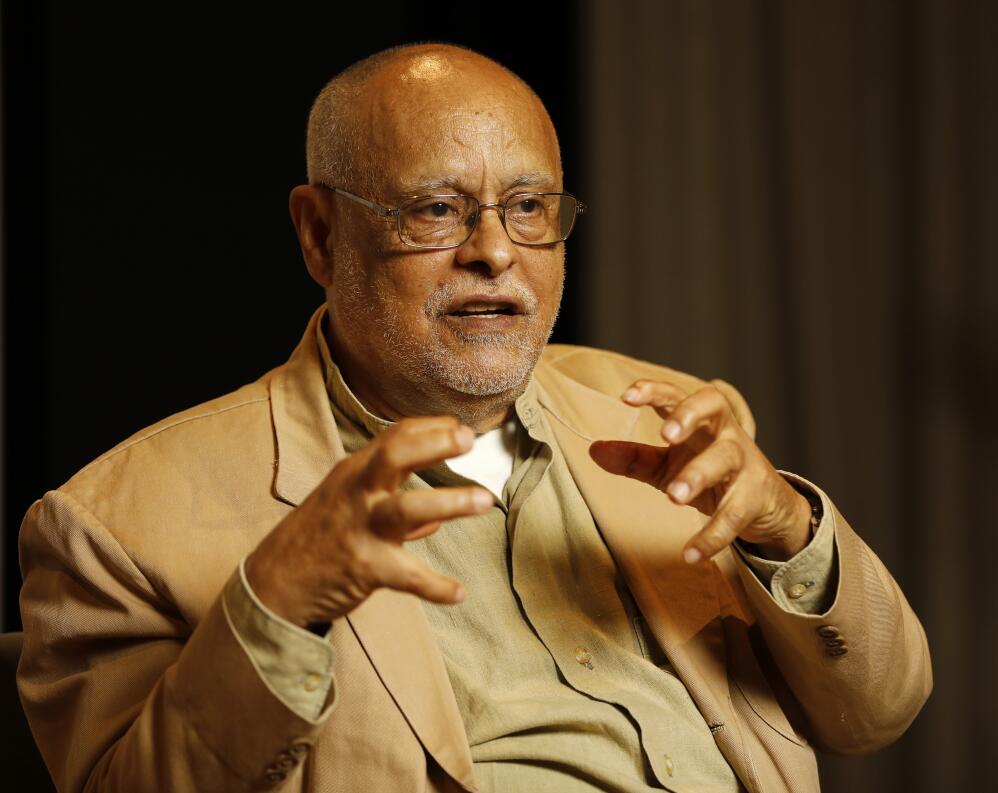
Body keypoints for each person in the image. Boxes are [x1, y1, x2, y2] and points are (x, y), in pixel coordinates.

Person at [16, 44, 931, 793]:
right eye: (437, 210)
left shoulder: (661, 412)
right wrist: (277, 604)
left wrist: (785, 528)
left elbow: (877, 711)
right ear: (320, 235)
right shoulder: (116, 523)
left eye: (530, 207)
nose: (495, 251)